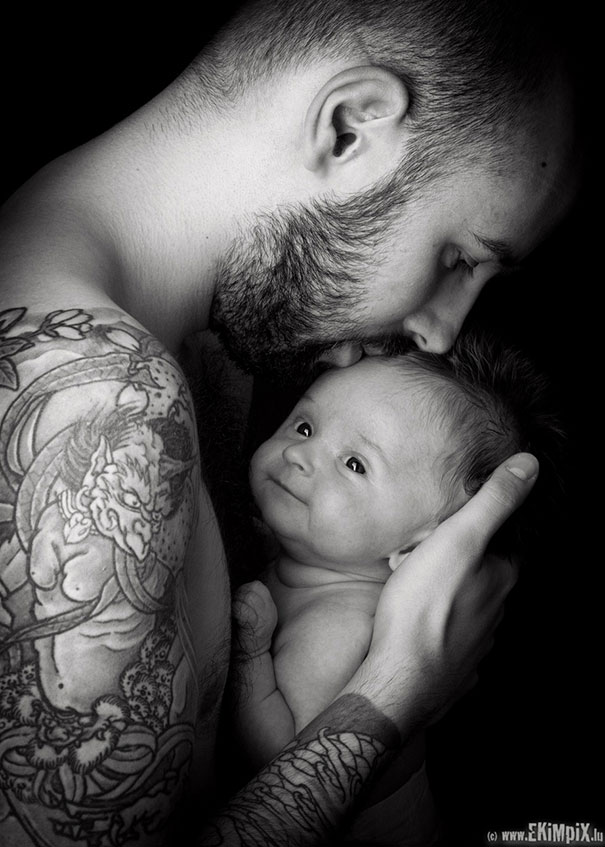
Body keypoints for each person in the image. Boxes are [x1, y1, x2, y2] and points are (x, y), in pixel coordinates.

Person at [0, 0, 579, 844]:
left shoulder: (203, 352)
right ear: (349, 128)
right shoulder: (96, 407)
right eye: (457, 258)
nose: (442, 332)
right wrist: (397, 687)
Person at [230, 330, 563, 845]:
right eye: (304, 425)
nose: (301, 454)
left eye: (355, 464)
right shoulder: (314, 561)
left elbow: (279, 762)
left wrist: (250, 653)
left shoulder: (340, 628)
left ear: (422, 547)